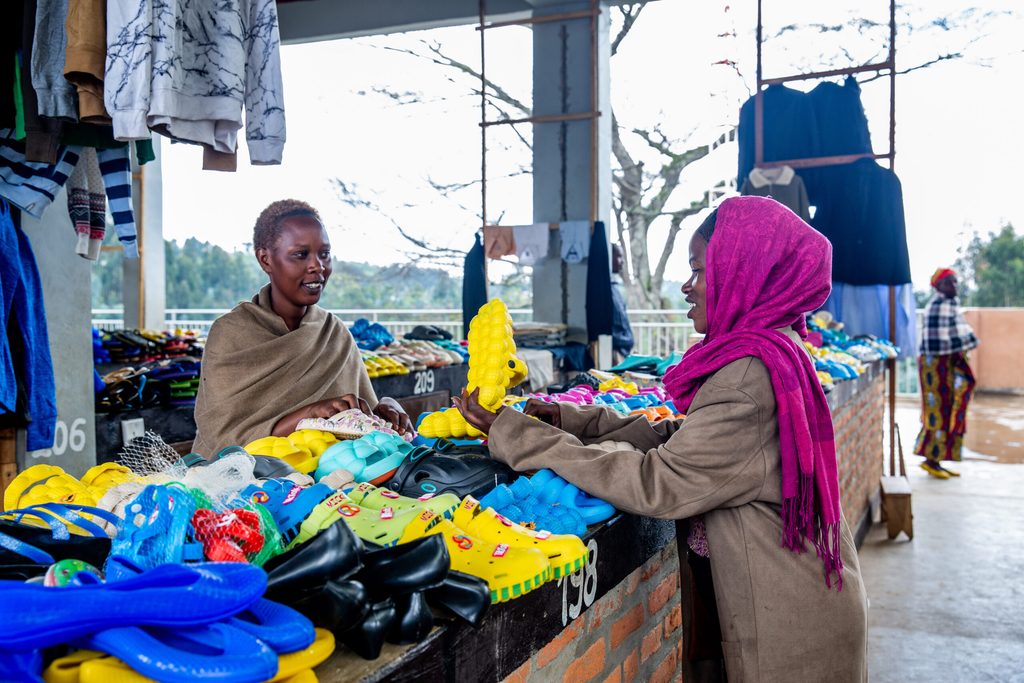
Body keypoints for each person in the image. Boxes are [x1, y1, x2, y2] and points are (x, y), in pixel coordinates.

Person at [454, 196, 868, 681]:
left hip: (790, 630)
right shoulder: (770, 349)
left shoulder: (747, 376)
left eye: (698, 270)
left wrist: (519, 434)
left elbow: (659, 483)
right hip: (797, 598)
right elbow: (688, 439)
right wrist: (574, 420)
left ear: (742, 272)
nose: (687, 286)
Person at [193, 199, 413, 456]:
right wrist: (309, 415)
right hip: (241, 477)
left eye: (324, 254)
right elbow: (225, 439)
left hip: (329, 475)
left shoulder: (334, 332)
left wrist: (388, 407)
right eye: (301, 255)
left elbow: (361, 417)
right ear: (265, 259)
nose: (317, 266)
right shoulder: (230, 333)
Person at [914, 267, 979, 478]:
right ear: (939, 286)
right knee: (938, 411)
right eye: (949, 282)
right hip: (935, 365)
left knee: (947, 408)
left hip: (944, 362)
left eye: (956, 282)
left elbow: (956, 336)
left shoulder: (949, 304)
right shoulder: (939, 305)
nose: (954, 286)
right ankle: (931, 459)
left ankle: (937, 459)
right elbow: (946, 340)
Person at [610, 243, 635, 364]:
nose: (622, 262)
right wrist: (626, 341)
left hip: (623, 351)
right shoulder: (604, 290)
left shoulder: (614, 288)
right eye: (619, 256)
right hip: (616, 351)